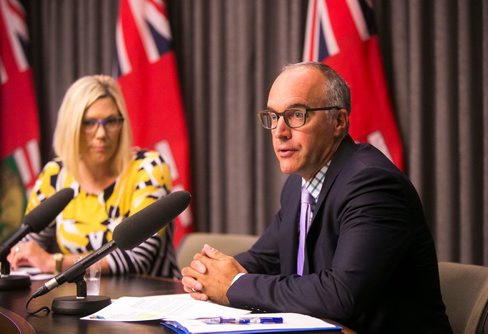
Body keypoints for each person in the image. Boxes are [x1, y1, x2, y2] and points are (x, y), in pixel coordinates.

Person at [181, 62, 452, 332]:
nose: (279, 131)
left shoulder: (371, 184)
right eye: (273, 117)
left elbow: (341, 295)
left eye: (296, 115)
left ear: (339, 121)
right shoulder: (297, 187)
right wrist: (209, 274)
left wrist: (233, 284)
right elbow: (266, 259)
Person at [7, 75, 179, 278]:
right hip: (78, 299)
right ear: (71, 127)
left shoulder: (148, 168)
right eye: (89, 123)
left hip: (149, 300)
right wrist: (23, 255)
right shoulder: (56, 175)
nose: (101, 134)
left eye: (111, 121)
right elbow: (27, 248)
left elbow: (136, 259)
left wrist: (55, 262)